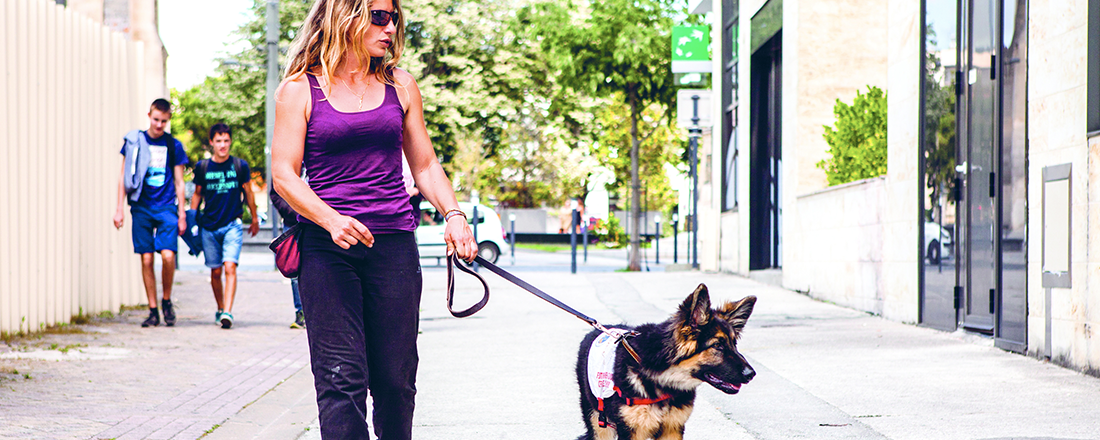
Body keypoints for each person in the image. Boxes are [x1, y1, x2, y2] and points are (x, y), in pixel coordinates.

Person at [271, 0, 477, 438]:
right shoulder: (299, 90)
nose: (390, 28)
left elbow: (424, 165)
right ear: (346, 17)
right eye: (380, 17)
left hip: (393, 246)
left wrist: (454, 214)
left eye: (394, 18)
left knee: (396, 381)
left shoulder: (401, 86)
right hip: (328, 250)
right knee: (340, 380)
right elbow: (284, 175)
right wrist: (330, 219)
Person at [114, 98, 189, 328]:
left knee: (168, 256)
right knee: (146, 258)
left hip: (166, 206)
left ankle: (166, 300)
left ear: (168, 120)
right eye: (156, 119)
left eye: (164, 121)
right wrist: (119, 209)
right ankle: (152, 309)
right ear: (149, 115)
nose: (159, 125)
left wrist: (182, 213)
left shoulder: (173, 145)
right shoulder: (134, 142)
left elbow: (179, 181)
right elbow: (123, 178)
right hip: (141, 206)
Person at [190, 123, 260, 329]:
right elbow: (197, 194)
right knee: (216, 272)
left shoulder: (240, 166)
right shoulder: (203, 167)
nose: (223, 145)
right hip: (209, 227)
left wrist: (254, 218)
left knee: (230, 266)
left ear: (230, 142)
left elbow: (249, 193)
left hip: (232, 224)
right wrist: (192, 220)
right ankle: (220, 308)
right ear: (211, 142)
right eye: (218, 141)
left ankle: (227, 312)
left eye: (226, 141)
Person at [269, 186, 306, 329]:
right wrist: (292, 212)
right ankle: (301, 312)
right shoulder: (287, 163)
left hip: (319, 222)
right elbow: (275, 192)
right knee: (293, 268)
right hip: (292, 222)